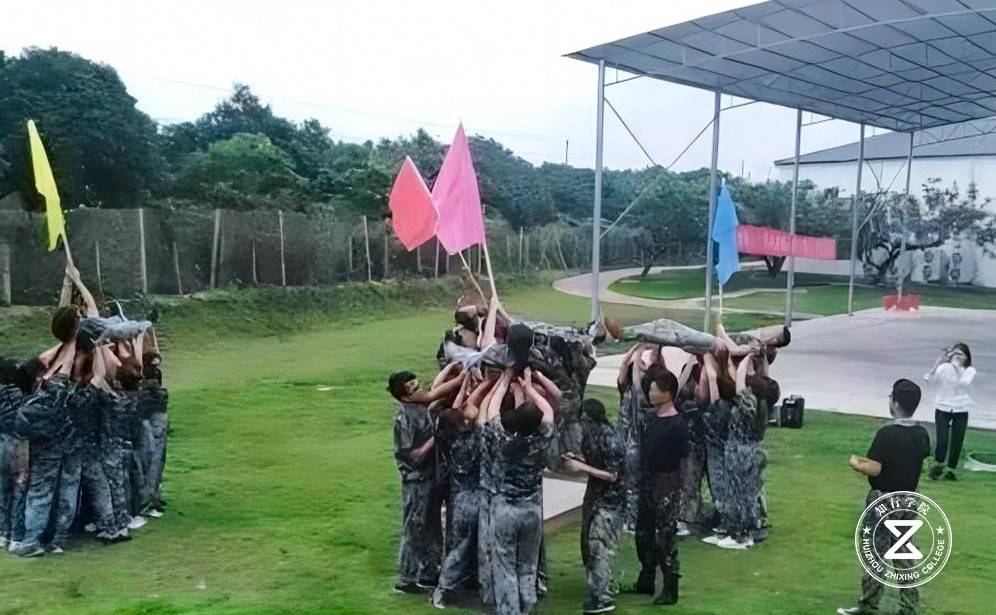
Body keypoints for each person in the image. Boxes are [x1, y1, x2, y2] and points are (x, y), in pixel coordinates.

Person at [837, 378, 930, 615]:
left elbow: (876, 468)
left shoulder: (887, 434)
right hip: (909, 499)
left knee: (875, 554)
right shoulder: (921, 434)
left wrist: (856, 463)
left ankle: (868, 604)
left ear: (896, 403)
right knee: (904, 552)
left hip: (884, 500)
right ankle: (909, 606)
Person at [388, 366, 464, 593]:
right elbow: (415, 456)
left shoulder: (419, 407)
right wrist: (437, 435)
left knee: (431, 529)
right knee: (414, 529)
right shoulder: (405, 419)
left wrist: (456, 371)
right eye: (414, 389)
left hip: (430, 479)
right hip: (416, 482)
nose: (420, 390)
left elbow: (433, 392)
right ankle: (406, 578)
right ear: (404, 396)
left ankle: (430, 573)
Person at [489, 367, 555, 615]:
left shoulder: (502, 440)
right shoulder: (543, 437)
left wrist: (505, 381)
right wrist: (528, 387)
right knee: (527, 565)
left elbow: (493, 411)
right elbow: (547, 411)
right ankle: (528, 608)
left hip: (506, 509)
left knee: (505, 566)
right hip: (531, 510)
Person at [431, 377, 494, 609]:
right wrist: (493, 387)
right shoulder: (469, 441)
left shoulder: (447, 437)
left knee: (462, 545)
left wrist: (475, 383)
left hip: (460, 498)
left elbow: (462, 411)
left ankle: (460, 585)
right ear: (462, 424)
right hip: (473, 499)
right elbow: (483, 414)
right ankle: (444, 589)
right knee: (462, 548)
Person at [634, 364, 690, 605]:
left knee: (665, 536)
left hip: (666, 483)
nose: (650, 393)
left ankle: (670, 586)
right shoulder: (650, 418)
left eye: (655, 389)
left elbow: (684, 461)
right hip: (647, 481)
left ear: (667, 393)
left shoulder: (677, 424)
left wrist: (681, 491)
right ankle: (646, 576)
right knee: (643, 532)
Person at [563, 398, 625, 614]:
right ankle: (597, 590)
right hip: (594, 497)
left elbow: (612, 475)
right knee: (588, 545)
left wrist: (581, 466)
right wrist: (578, 458)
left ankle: (602, 596)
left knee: (599, 544)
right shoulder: (591, 436)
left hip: (610, 501)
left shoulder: (611, 437)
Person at [924, 343, 975, 480]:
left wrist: (956, 366)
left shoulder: (969, 370)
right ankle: (939, 466)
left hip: (961, 409)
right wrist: (939, 362)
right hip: (943, 407)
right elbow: (931, 380)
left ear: (966, 357)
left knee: (957, 441)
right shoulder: (944, 368)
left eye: (960, 354)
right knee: (942, 440)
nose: (957, 357)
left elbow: (964, 382)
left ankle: (951, 470)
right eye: (955, 354)